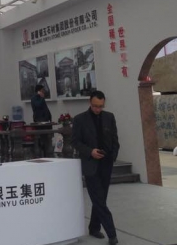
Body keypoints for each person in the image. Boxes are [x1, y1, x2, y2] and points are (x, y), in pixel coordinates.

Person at [73, 91, 119, 245]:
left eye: (101, 106)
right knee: (99, 200)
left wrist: (113, 156)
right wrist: (90, 152)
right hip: (90, 165)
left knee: (101, 198)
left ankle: (94, 227)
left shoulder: (109, 117)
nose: (98, 109)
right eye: (95, 106)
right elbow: (75, 142)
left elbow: (114, 139)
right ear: (89, 102)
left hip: (106, 164)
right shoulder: (80, 119)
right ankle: (112, 234)